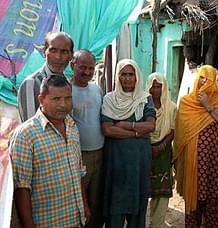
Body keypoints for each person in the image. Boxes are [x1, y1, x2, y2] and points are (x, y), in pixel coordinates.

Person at [10, 75, 89, 227]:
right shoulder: (25, 135)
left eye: (67, 98)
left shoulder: (71, 125)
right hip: (47, 222)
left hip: (74, 218)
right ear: (41, 99)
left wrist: (84, 205)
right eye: (56, 99)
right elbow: (22, 187)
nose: (63, 105)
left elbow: (78, 172)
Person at [173, 65, 218, 228]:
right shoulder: (186, 102)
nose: (203, 81)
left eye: (207, 78)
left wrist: (207, 105)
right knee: (193, 202)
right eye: (201, 77)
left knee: (213, 200)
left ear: (214, 82)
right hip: (192, 162)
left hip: (213, 160)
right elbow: (180, 134)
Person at [101, 59, 156, 228]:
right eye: (123, 74)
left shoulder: (145, 98)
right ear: (117, 77)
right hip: (116, 161)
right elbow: (108, 130)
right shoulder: (110, 99)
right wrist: (138, 133)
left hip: (139, 162)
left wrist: (126, 125)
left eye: (131, 74)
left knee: (137, 204)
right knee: (115, 206)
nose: (127, 79)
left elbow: (151, 126)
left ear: (137, 76)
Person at [71, 49, 105, 227]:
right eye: (82, 67)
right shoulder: (66, 90)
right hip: (79, 156)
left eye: (90, 68)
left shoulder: (97, 89)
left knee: (96, 198)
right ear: (73, 65)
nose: (87, 72)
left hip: (100, 152)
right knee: (79, 199)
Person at [18, 31, 73, 122]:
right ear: (44, 51)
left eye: (64, 52)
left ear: (71, 56)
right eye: (53, 50)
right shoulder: (31, 84)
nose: (58, 57)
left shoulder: (67, 83)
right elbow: (30, 128)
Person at [146, 73, 176, 228]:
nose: (155, 90)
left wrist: (162, 145)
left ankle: (157, 224)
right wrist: (149, 146)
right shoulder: (142, 105)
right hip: (145, 150)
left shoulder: (171, 108)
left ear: (164, 88)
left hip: (163, 152)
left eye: (158, 86)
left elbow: (173, 129)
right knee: (143, 189)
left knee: (162, 193)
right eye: (152, 86)